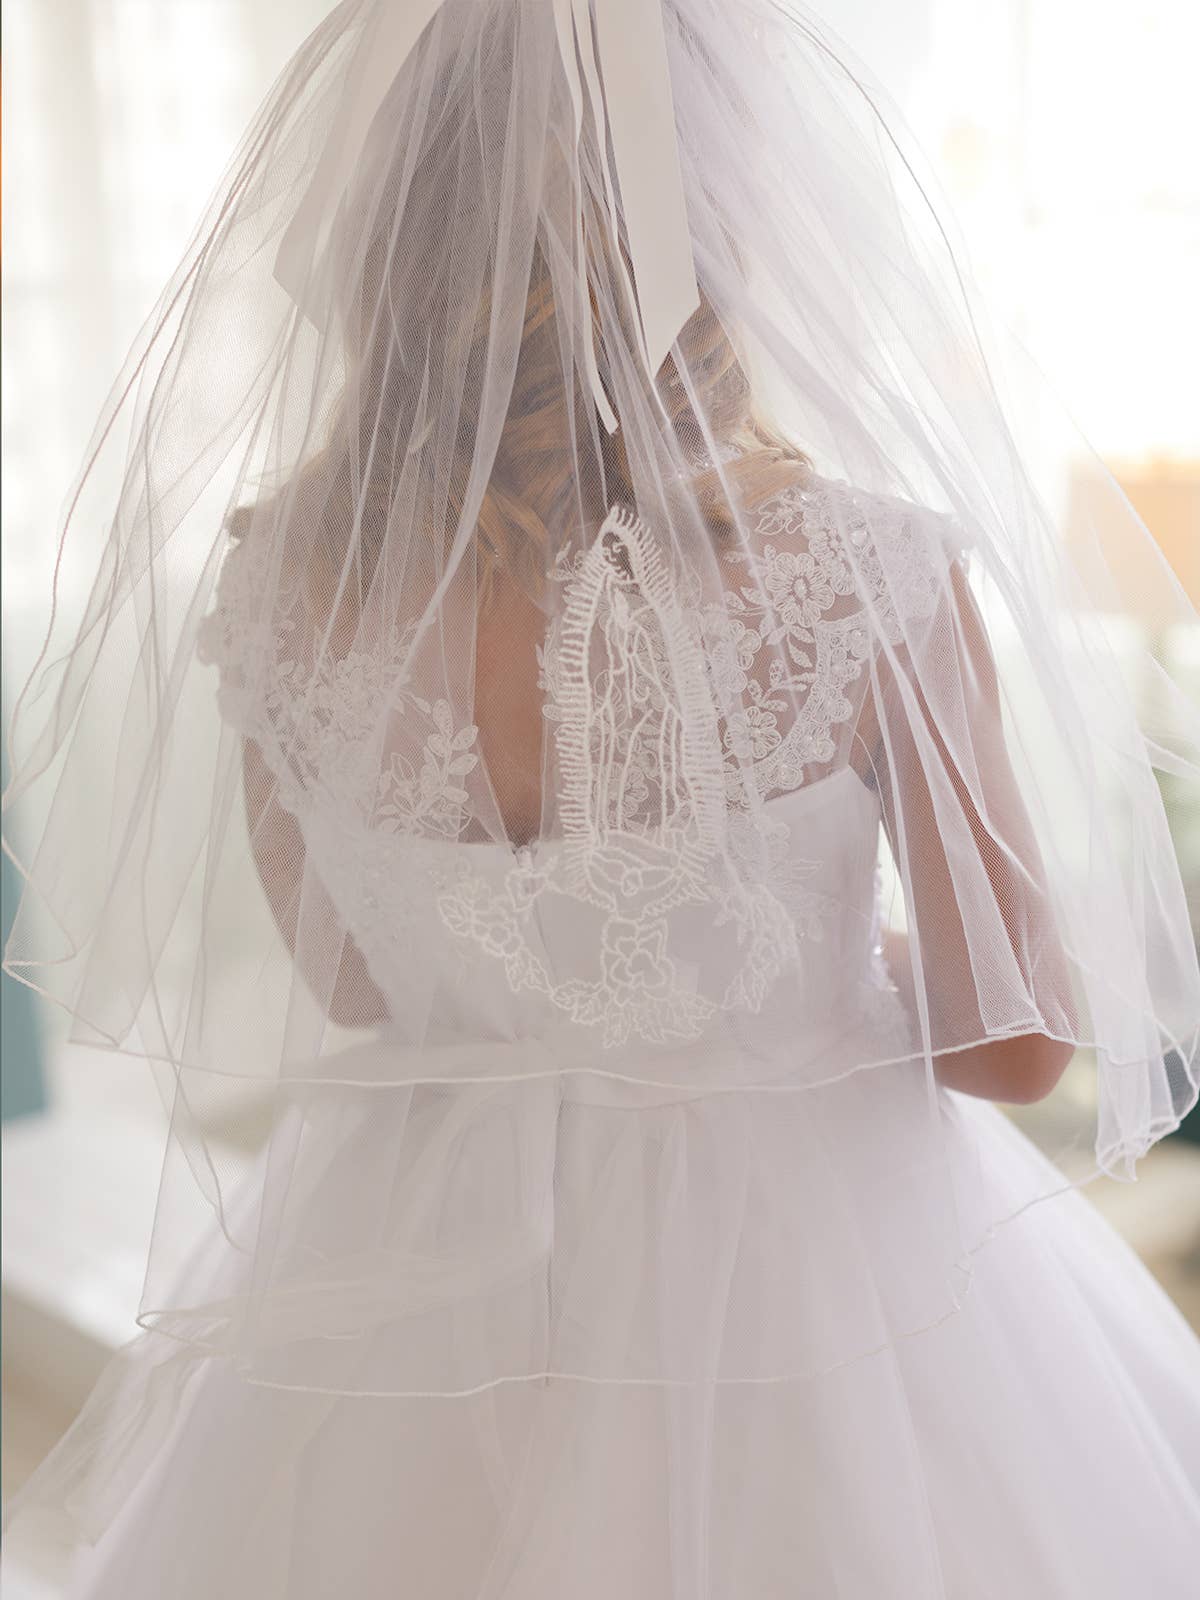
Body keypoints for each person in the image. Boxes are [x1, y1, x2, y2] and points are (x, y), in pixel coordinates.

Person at [4, 1, 1199, 1594]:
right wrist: (834, 968)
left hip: (421, 1275)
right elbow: (1018, 1038)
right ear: (726, 230)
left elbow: (355, 981)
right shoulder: (860, 572)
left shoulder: (289, 584)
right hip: (812, 1281)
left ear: (379, 229)